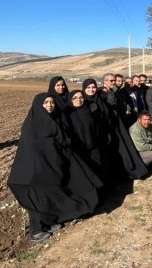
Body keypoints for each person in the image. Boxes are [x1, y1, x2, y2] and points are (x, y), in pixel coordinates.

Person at [8, 93, 102, 243]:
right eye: (46, 103)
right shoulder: (33, 123)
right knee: (38, 197)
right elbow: (36, 147)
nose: (50, 105)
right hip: (34, 170)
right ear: (39, 105)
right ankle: (36, 231)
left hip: (51, 165)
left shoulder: (53, 119)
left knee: (53, 193)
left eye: (52, 102)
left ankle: (48, 222)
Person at [66, 90, 105, 179]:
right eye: (75, 98)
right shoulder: (67, 113)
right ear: (70, 99)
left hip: (93, 146)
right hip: (78, 149)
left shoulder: (89, 110)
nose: (78, 100)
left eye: (81, 97)